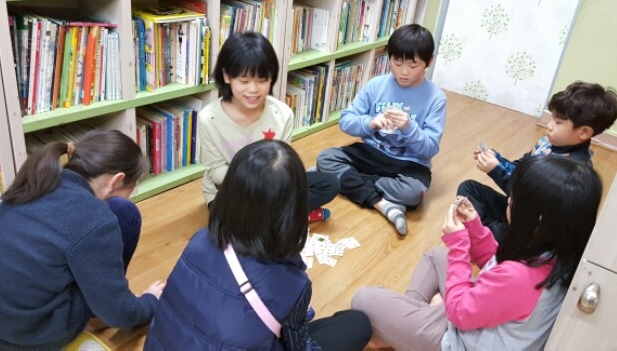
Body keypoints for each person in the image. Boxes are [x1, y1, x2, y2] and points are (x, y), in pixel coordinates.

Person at [352, 155, 602, 350]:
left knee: (364, 298)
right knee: (435, 256)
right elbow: (495, 265)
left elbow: (460, 312)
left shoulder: (519, 275)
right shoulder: (554, 251)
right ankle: (409, 325)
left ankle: (402, 331)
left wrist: (459, 246)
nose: (508, 200)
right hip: (480, 318)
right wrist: (475, 228)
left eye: (515, 197)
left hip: (460, 338)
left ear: (537, 219)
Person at [145, 140, 372, 350]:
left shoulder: (199, 239)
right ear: (294, 209)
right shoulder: (294, 284)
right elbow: (298, 346)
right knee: (357, 323)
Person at [0, 130, 165, 349]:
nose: (131, 194)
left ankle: (103, 299)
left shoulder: (37, 179)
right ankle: (96, 315)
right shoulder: (96, 220)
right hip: (21, 339)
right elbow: (119, 314)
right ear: (117, 180)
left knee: (119, 211)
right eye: (132, 188)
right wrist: (150, 302)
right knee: (127, 214)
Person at [316, 24, 447, 235]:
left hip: (409, 163)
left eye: (413, 65)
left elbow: (430, 149)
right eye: (397, 62)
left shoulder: (436, 98)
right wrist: (371, 123)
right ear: (389, 58)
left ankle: (349, 178)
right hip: (371, 153)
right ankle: (383, 205)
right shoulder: (376, 85)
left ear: (429, 61)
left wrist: (408, 127)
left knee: (413, 194)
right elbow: (346, 120)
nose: (404, 71)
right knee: (326, 157)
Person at [199, 31, 338, 222]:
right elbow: (215, 170)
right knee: (227, 222)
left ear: (271, 78)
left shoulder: (283, 114)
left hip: (272, 185)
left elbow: (282, 161)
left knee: (329, 183)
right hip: (229, 189)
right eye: (244, 81)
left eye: (262, 80)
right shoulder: (209, 118)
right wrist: (257, 185)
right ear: (227, 76)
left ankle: (274, 218)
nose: (253, 89)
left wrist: (274, 184)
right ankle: (286, 218)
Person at [458, 81, 617, 240]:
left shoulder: (571, 170)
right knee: (469, 188)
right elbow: (520, 168)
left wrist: (495, 170)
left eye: (558, 122)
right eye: (551, 117)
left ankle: (486, 235)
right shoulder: (547, 143)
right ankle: (486, 232)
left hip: (532, 229)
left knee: (487, 226)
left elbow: (526, 197)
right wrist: (497, 160)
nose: (549, 125)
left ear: (584, 132)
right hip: (515, 211)